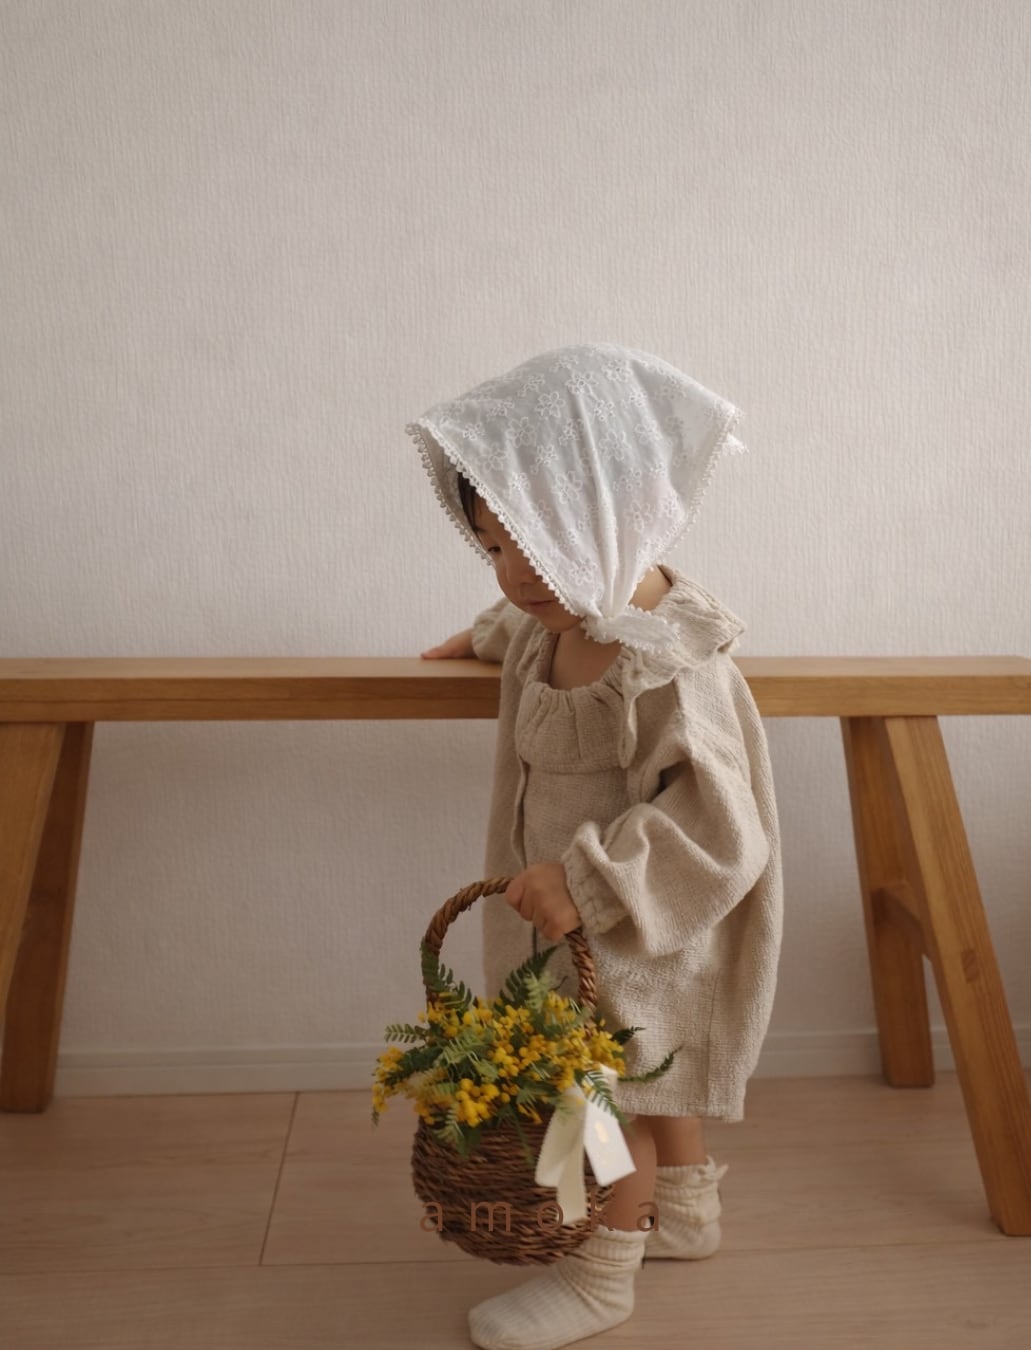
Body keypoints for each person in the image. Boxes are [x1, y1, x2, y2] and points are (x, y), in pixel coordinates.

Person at [410, 342, 783, 1350]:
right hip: (575, 930)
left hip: (636, 921)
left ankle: (600, 1271)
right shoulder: (562, 613)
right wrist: (487, 631)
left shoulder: (667, 664)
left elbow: (721, 824)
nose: (512, 573)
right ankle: (686, 1212)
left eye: (532, 544)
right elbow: (523, 616)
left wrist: (591, 881)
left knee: (603, 1094)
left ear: (615, 516)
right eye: (490, 545)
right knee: (652, 1072)